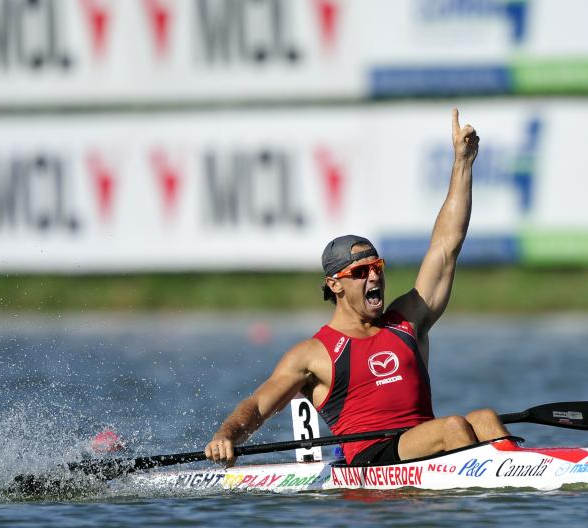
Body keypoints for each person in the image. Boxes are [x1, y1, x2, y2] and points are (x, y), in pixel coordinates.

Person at [205, 109, 511, 467]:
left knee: (486, 418)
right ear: (335, 284)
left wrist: (463, 163)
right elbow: (258, 406)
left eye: (377, 267)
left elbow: (446, 245)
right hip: (370, 457)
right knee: (455, 426)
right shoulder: (312, 354)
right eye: (362, 271)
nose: (375, 277)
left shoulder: (406, 320)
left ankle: (520, 483)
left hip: (425, 446)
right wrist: (225, 435)